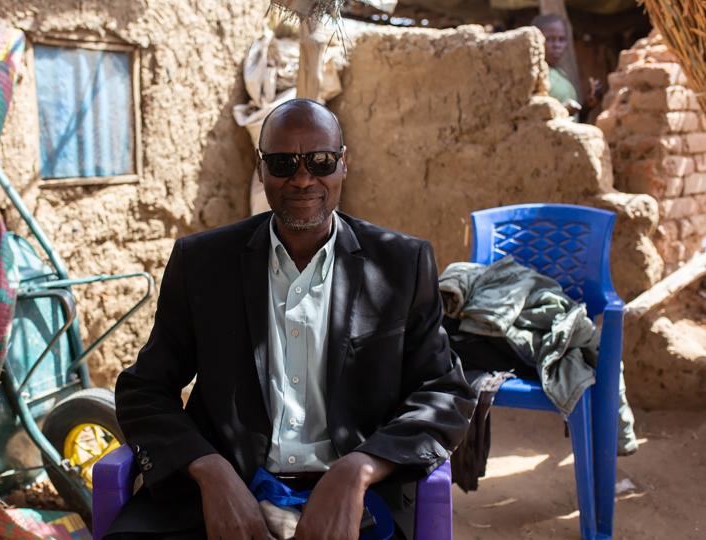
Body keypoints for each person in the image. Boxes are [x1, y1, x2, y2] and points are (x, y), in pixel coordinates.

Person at [110, 99, 476, 540]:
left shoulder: (401, 265)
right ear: (261, 170)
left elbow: (444, 391)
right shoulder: (203, 264)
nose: (303, 179)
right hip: (227, 494)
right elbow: (144, 390)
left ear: (344, 165)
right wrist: (209, 470)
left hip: (358, 503)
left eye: (320, 161)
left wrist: (361, 467)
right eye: (283, 163)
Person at [532, 13, 601, 120]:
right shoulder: (534, 74)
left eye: (561, 39)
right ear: (535, 41)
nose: (557, 45)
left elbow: (572, 122)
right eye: (550, 39)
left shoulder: (560, 74)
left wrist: (587, 106)